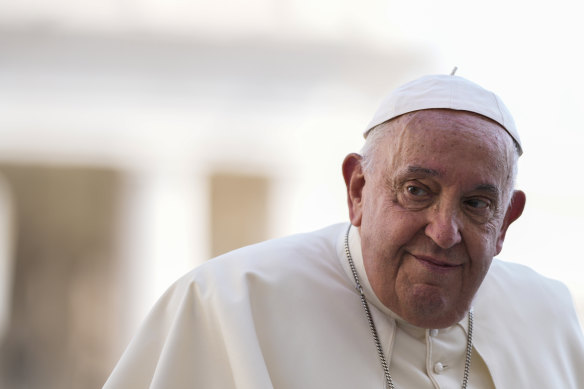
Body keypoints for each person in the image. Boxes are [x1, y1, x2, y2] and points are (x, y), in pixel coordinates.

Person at [103, 74, 584, 389]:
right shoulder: (225, 303)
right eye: (417, 190)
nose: (444, 232)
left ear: (506, 223)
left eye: (477, 204)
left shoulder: (550, 315)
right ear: (358, 190)